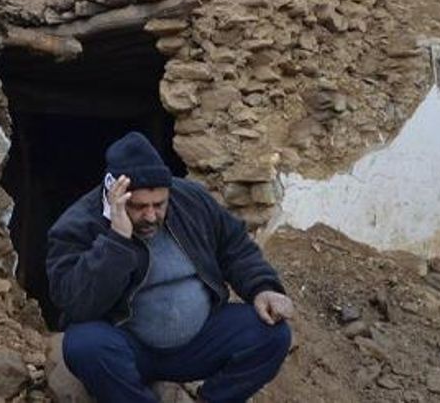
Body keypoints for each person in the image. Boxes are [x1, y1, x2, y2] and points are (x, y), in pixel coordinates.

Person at [46, 132, 293, 403]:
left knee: (272, 334)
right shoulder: (78, 225)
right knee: (84, 345)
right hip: (130, 349)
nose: (151, 216)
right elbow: (76, 304)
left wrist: (262, 287)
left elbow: (235, 247)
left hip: (200, 344)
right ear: (114, 195)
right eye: (139, 207)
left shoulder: (191, 200)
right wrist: (116, 241)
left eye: (159, 205)